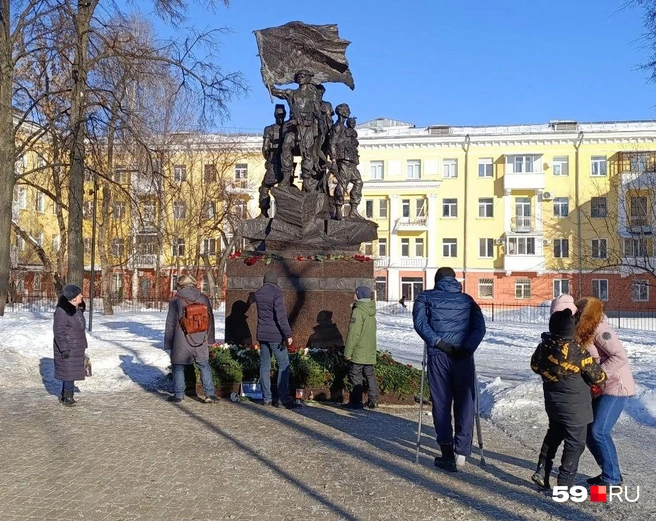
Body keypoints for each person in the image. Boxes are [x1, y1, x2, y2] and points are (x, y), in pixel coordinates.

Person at [412, 267, 486, 472]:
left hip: (438, 356)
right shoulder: (468, 300)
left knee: (441, 402)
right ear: (454, 280)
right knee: (465, 402)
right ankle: (461, 452)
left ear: (437, 280)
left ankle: (446, 452)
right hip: (463, 357)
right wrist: (467, 347)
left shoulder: (425, 297)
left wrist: (437, 342)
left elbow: (420, 323)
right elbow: (480, 328)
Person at [530, 295, 607, 489]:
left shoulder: (543, 347)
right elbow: (599, 377)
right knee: (575, 444)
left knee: (553, 435)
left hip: (553, 404)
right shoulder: (578, 353)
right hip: (576, 409)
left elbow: (534, 366)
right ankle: (565, 482)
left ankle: (542, 469)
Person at [574, 295, 636, 486]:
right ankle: (610, 471)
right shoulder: (585, 331)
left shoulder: (601, 329)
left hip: (617, 387)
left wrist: (599, 375)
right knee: (588, 431)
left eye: (577, 315)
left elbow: (619, 356)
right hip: (601, 388)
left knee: (599, 431)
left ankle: (612, 479)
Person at [164, 274, 219, 404]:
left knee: (178, 366)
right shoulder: (203, 298)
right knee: (204, 365)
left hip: (181, 338)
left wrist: (168, 344)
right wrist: (210, 339)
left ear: (180, 285)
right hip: (200, 338)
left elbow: (171, 324)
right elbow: (210, 320)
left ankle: (179, 395)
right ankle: (210, 394)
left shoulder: (176, 301)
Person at [253, 271, 295, 407]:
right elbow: (281, 317)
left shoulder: (258, 293)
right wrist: (288, 334)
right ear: (276, 281)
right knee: (283, 364)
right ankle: (283, 398)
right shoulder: (277, 294)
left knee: (264, 366)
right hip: (276, 335)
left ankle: (267, 398)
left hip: (262, 334)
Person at [53, 284, 88, 407]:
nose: (82, 296)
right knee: (69, 372)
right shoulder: (62, 312)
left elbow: (80, 329)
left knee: (70, 372)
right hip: (68, 348)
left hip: (76, 346)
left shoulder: (77, 310)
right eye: (79, 295)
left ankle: (65, 395)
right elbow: (59, 331)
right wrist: (64, 349)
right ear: (73, 298)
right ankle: (68, 397)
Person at [344, 285, 378, 410]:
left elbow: (354, 333)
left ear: (359, 295)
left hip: (359, 349)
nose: (353, 295)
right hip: (370, 349)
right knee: (369, 375)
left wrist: (348, 352)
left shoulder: (358, 311)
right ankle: (373, 400)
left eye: (355, 293)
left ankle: (356, 402)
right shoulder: (371, 310)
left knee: (355, 374)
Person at [329, 103, 363, 220]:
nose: (348, 112)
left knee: (358, 182)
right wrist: (333, 159)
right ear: (341, 112)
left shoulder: (347, 129)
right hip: (343, 159)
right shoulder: (338, 127)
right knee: (342, 184)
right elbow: (332, 143)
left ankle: (353, 209)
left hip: (351, 160)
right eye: (346, 110)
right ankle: (338, 207)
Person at [258, 104, 286, 218]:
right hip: (286, 163)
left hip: (274, 162)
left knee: (265, 188)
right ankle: (283, 213)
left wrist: (269, 159)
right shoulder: (288, 128)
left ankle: (264, 212)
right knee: (284, 188)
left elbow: (265, 148)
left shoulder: (269, 129)